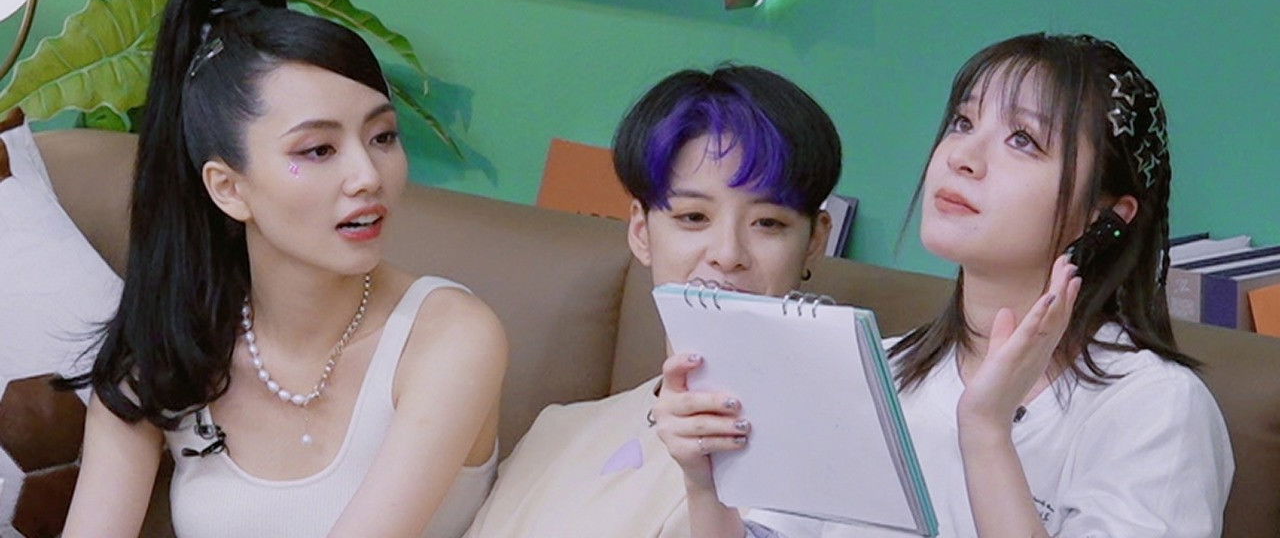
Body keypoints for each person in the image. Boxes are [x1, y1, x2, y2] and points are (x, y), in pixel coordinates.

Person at [656, 34, 1234, 537]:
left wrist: (986, 432)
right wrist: (706, 484)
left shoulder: (1154, 408)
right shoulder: (874, 372)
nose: (964, 156)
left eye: (1023, 139)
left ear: (1106, 216)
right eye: (963, 122)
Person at [60, 0, 507, 538]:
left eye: (382, 137)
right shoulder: (171, 352)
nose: (367, 176)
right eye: (318, 149)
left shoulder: (450, 336)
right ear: (228, 188)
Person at [463, 65, 842, 538]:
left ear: (814, 241)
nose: (728, 254)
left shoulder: (832, 454)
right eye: (693, 217)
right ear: (641, 232)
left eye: (768, 223)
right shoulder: (558, 432)